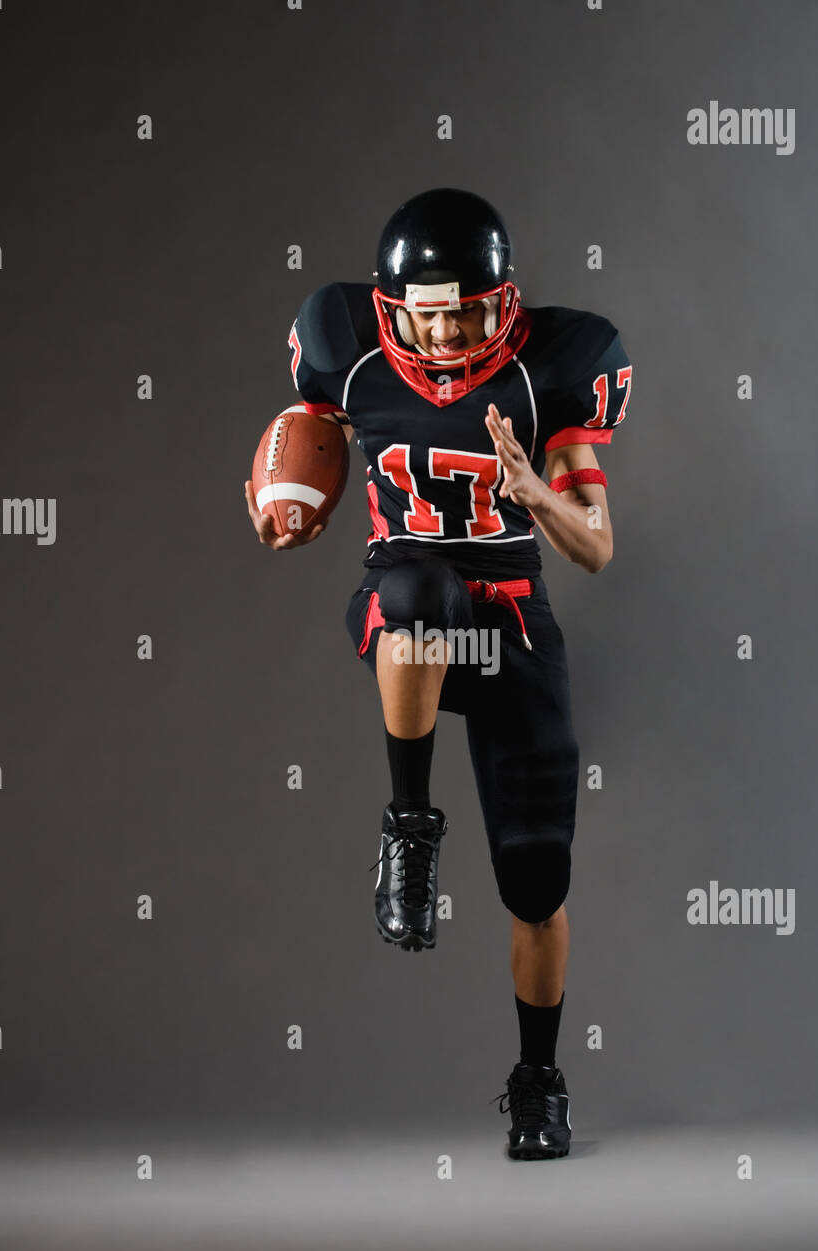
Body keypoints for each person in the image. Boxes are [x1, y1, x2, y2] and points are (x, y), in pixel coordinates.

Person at [244, 188, 633, 1159]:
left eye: (468, 307)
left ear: (503, 300)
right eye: (431, 310)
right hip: (408, 607)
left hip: (509, 622)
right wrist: (291, 503)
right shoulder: (349, 351)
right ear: (390, 309)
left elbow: (594, 549)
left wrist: (533, 490)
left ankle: (537, 1078)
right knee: (417, 593)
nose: (451, 328)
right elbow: (308, 434)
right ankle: (408, 824)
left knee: (537, 882)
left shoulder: (553, 372)